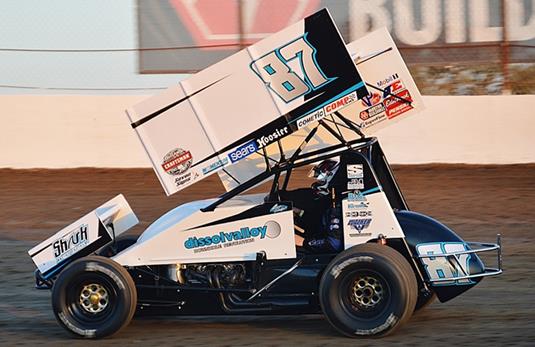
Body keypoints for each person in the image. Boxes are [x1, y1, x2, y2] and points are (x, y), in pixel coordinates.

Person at [279, 159, 343, 252]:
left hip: (327, 256)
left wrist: (304, 242)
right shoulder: (330, 204)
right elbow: (315, 221)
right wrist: (298, 212)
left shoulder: (337, 207)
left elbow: (333, 244)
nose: (316, 184)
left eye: (320, 181)